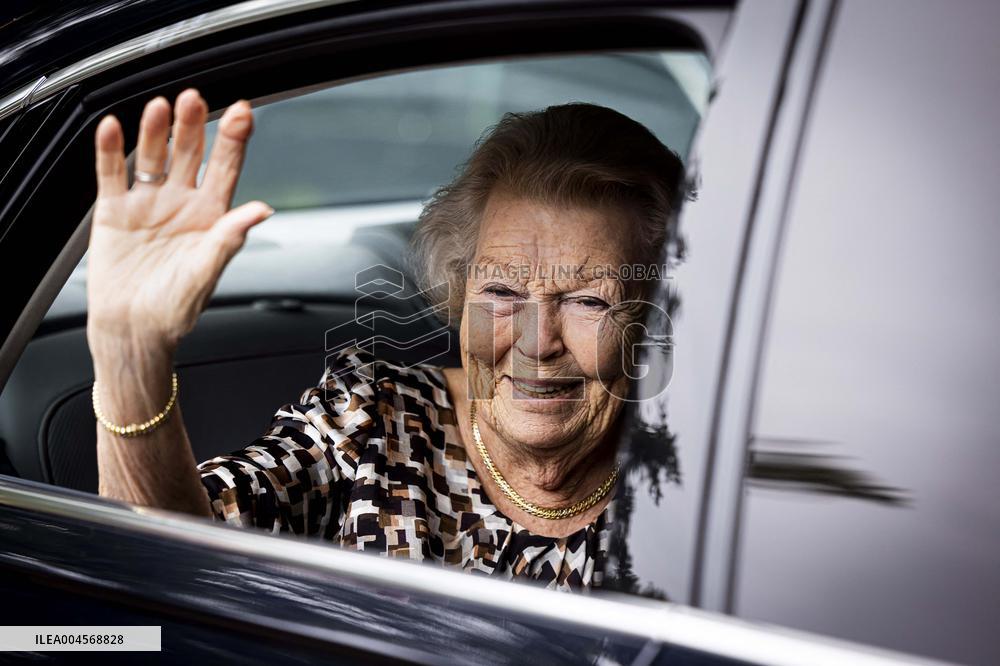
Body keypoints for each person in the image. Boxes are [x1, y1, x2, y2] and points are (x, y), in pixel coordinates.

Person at [88, 88, 683, 592]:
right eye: (501, 292)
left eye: (588, 301)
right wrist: (130, 360)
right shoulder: (371, 418)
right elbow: (163, 567)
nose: (536, 342)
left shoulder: (697, 471)